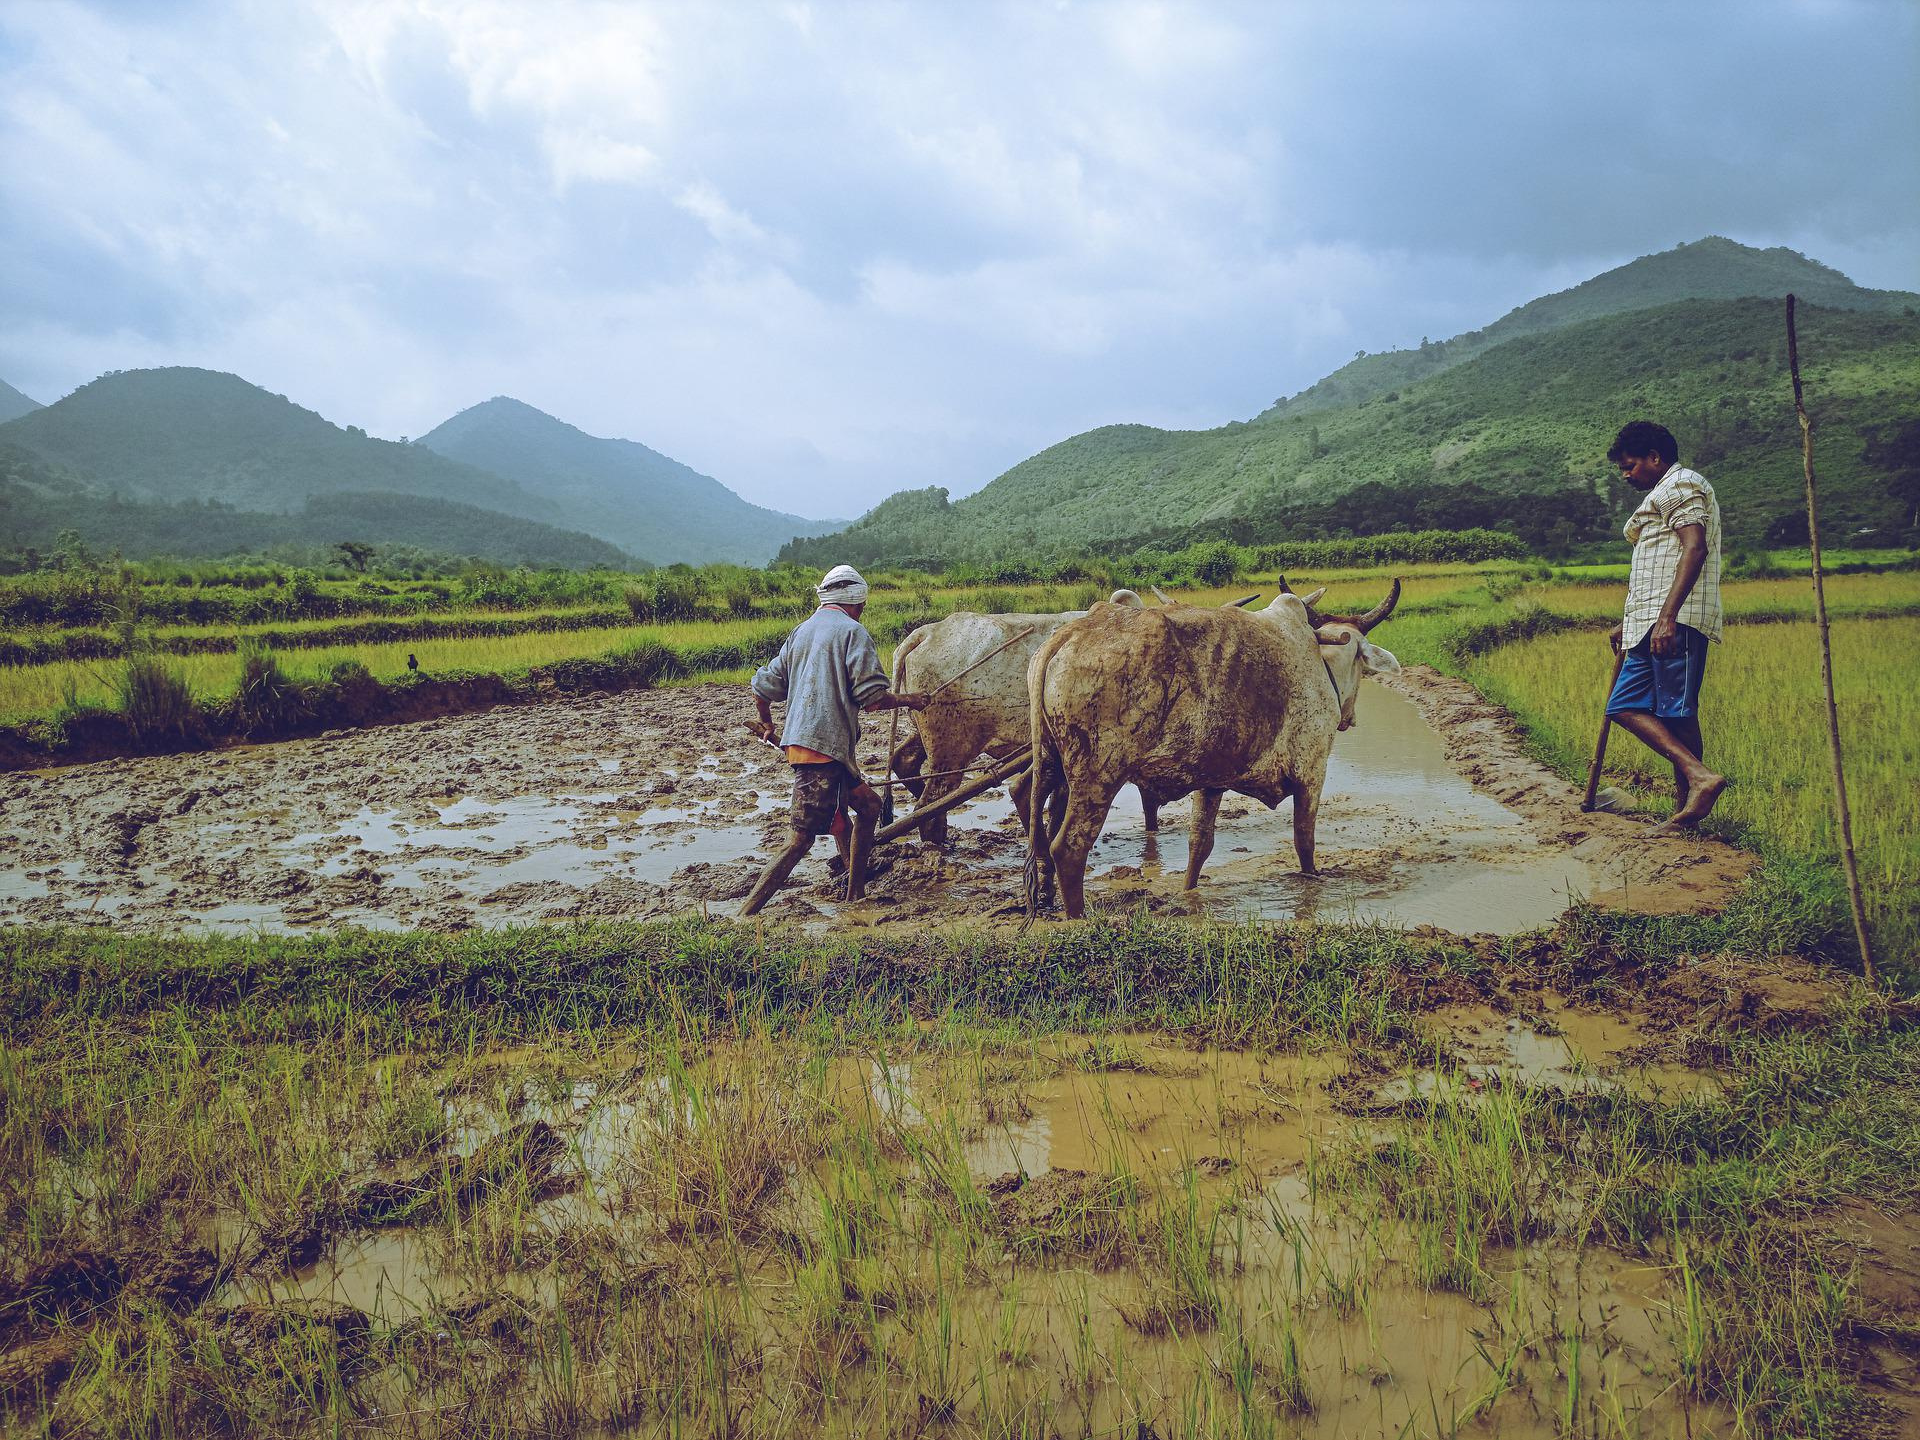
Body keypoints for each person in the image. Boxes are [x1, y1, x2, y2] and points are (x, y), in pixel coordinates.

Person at [739, 564, 927, 916]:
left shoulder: (802, 631)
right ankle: (745, 914)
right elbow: (872, 698)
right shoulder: (853, 632)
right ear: (859, 602)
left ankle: (855, 892)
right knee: (799, 841)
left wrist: (766, 722)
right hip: (820, 753)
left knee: (868, 808)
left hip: (821, 751)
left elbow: (762, 686)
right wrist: (911, 699)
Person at [1604, 420, 1727, 832]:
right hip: (1647, 623)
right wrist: (1630, 621)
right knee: (1622, 706)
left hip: (1675, 621)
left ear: (1655, 458)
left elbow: (1695, 547)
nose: (1626, 475)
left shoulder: (1681, 485)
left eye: (1631, 465)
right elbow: (1652, 568)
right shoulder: (1661, 493)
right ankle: (1698, 780)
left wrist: (1667, 617)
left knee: (1676, 711)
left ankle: (1689, 806)